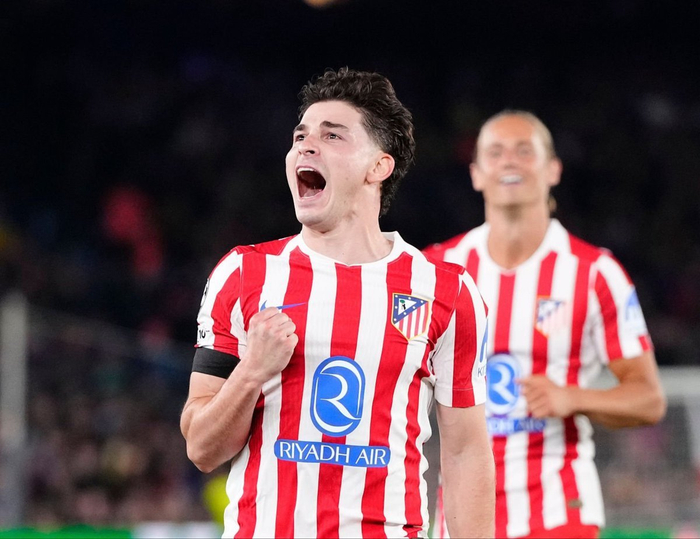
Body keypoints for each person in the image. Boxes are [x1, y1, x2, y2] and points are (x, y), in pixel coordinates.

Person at [180, 68, 495, 538]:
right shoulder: (243, 274)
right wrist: (251, 372)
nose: (306, 146)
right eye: (300, 136)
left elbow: (466, 451)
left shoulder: (446, 292)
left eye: (332, 135)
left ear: (378, 167)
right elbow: (202, 450)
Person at [424, 110, 666, 539]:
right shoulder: (438, 270)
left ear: (553, 169)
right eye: (495, 152)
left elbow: (649, 400)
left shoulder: (594, 273)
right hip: (461, 515)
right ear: (476, 174)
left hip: (560, 510)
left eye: (524, 150)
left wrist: (573, 397)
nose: (509, 160)